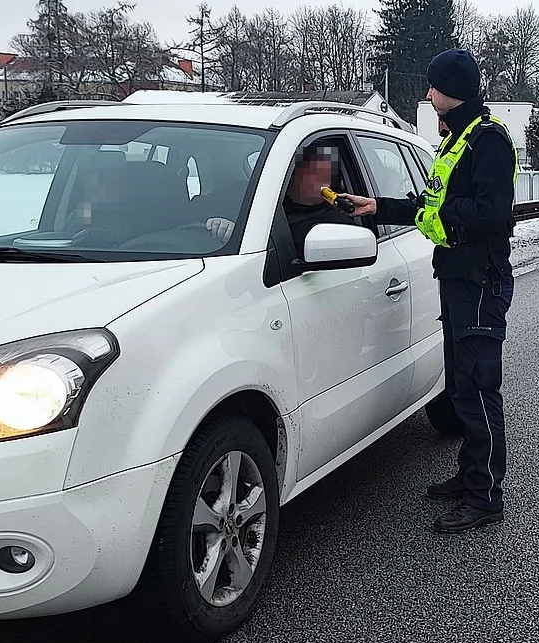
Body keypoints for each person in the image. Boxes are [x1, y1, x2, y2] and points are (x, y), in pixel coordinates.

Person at [338, 48, 518, 534]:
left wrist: (438, 215)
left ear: (451, 89)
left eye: (433, 86)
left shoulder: (488, 141)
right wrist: (376, 206)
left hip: (480, 279)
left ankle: (485, 496)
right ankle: (470, 475)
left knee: (479, 388)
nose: (427, 94)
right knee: (460, 384)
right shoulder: (457, 138)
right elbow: (430, 202)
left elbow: (492, 213)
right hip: (457, 276)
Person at [207, 145, 351, 249]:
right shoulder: (257, 201)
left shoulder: (338, 223)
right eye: (314, 173)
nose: (323, 181)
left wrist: (240, 236)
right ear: (292, 175)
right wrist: (224, 228)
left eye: (327, 175)